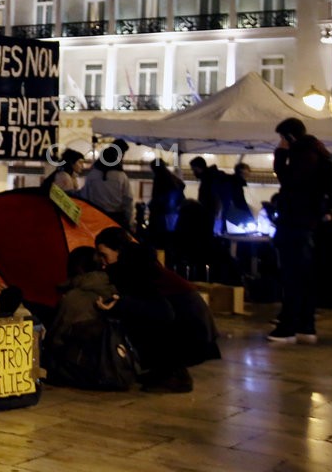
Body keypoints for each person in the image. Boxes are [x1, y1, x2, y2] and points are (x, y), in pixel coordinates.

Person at [95, 227, 220, 392]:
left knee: (138, 320)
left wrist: (121, 304)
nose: (102, 262)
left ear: (118, 251)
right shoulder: (139, 261)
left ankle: (175, 375)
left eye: (105, 255)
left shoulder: (136, 267)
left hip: (193, 332)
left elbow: (162, 311)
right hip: (196, 325)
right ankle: (163, 372)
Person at [267, 117, 332, 344]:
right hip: (309, 225)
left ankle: (288, 328)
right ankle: (306, 326)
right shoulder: (319, 153)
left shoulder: (303, 154)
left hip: (296, 223)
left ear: (289, 137)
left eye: (281, 138)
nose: (280, 142)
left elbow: (289, 181)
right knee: (305, 277)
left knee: (293, 277)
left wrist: (280, 156)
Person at [46, 246, 125, 389]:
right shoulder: (113, 291)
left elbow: (56, 338)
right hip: (112, 362)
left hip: (82, 368)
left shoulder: (73, 298)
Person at [80, 144, 133, 229]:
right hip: (116, 218)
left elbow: (85, 197)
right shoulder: (121, 176)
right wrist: (129, 220)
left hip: (96, 216)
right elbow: (128, 199)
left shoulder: (92, 175)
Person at [147, 159, 187, 248]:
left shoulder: (159, 178)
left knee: (160, 243)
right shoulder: (172, 178)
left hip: (162, 216)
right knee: (170, 241)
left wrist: (151, 206)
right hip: (174, 215)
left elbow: (157, 198)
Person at [188, 156, 233, 235]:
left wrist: (216, 213)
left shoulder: (209, 179)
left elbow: (214, 197)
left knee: (211, 235)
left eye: (193, 169)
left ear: (198, 168)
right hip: (214, 213)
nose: (193, 172)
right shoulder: (211, 177)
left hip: (211, 214)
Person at [226, 162, 255, 229]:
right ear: (242, 170)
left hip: (234, 212)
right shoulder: (237, 182)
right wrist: (248, 214)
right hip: (238, 213)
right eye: (247, 169)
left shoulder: (235, 181)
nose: (249, 172)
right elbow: (240, 199)